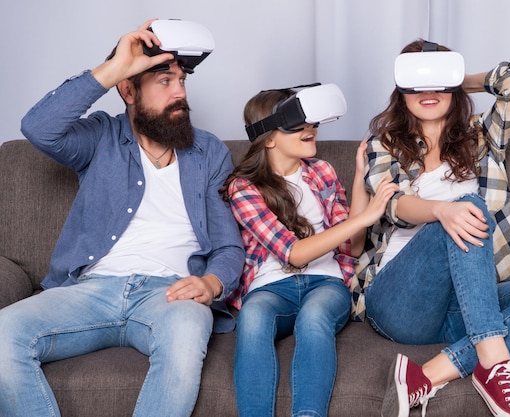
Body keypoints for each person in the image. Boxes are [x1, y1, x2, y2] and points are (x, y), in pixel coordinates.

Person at [0, 19, 245, 417]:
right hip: (91, 291)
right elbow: (38, 128)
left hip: (170, 294)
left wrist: (212, 282)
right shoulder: (99, 137)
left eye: (182, 80)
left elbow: (228, 244)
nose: (180, 92)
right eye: (164, 81)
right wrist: (114, 67)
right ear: (128, 90)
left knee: (185, 337)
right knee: (2, 335)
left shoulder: (209, 152)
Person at [350, 40, 510, 417]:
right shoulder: (385, 144)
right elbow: (392, 205)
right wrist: (442, 210)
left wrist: (456, 79)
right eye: (417, 83)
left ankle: (428, 374)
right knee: (466, 208)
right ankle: (494, 367)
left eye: (438, 82)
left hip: (466, 307)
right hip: (399, 302)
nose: (428, 92)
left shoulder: (481, 137)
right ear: (401, 90)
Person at [220, 85, 398, 417]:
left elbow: (354, 245)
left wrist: (360, 177)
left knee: (314, 319)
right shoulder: (244, 188)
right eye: (298, 124)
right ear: (269, 138)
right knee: (253, 319)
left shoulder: (322, 172)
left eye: (312, 123)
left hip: (326, 283)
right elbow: (294, 253)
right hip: (270, 287)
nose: (311, 130)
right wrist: (369, 215)